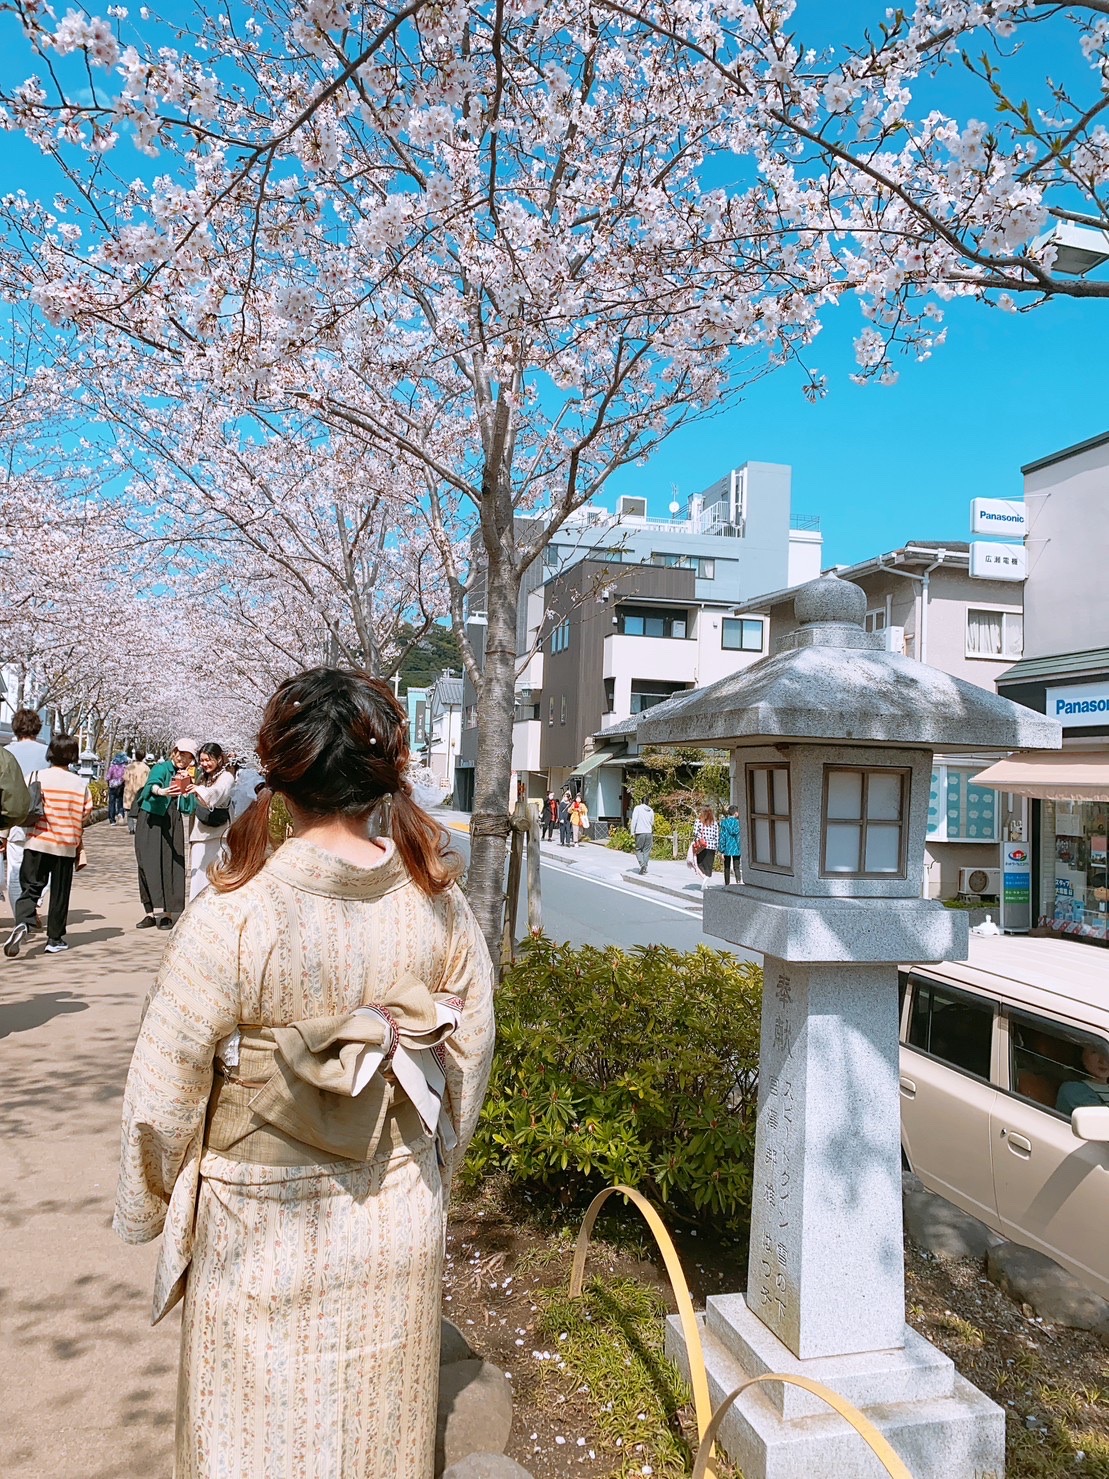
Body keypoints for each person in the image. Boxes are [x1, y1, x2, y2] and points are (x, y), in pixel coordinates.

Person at [113, 666, 495, 1479]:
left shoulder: (234, 910)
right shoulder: (438, 900)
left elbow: (163, 1086)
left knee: (250, 1433)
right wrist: (438, 1165)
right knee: (374, 1433)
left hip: (261, 1215)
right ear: (384, 769)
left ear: (278, 774)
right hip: (395, 1203)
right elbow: (468, 1053)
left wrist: (152, 1200)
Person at [4, 732, 91, 957]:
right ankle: (55, 939)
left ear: (50, 753)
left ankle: (23, 922)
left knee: (31, 886)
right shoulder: (80, 784)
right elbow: (85, 813)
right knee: (60, 893)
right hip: (65, 845)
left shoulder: (35, 776)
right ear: (73, 756)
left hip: (37, 842)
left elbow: (21, 804)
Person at [134, 739, 194, 930]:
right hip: (151, 817)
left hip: (172, 819)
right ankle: (149, 912)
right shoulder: (161, 768)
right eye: (180, 754)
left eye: (187, 756)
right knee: (146, 863)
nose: (182, 759)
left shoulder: (187, 775)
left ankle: (167, 913)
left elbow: (188, 807)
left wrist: (186, 792)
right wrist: (162, 791)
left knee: (171, 863)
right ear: (174, 752)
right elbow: (152, 785)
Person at [5, 707, 48, 922]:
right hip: (42, 818)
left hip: (12, 818)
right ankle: (32, 905)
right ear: (38, 728)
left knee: (15, 869)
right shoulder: (47, 752)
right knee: (41, 869)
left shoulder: (6, 752)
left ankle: (21, 918)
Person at [184, 742, 235, 902]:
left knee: (217, 877)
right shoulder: (201, 777)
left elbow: (216, 793)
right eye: (202, 760)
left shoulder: (227, 777)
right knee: (198, 878)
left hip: (219, 835)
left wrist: (198, 790)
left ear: (219, 759)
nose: (205, 764)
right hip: (200, 834)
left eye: (208, 760)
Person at [1056, 1043, 1109, 1115]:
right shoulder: (1074, 1089)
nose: (1103, 1061)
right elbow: (1101, 1122)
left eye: (1107, 1052)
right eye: (1094, 1052)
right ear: (1081, 1055)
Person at [123, 753, 151, 835]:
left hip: (130, 790)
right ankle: (138, 827)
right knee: (140, 809)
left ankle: (131, 828)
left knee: (129, 810)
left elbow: (125, 778)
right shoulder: (146, 768)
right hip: (141, 790)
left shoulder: (129, 767)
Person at [692, 806, 719, 884]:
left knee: (700, 864)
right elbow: (717, 835)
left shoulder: (699, 821)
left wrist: (698, 840)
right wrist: (717, 847)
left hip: (702, 845)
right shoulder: (714, 823)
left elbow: (695, 833)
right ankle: (706, 879)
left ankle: (704, 878)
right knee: (708, 865)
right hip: (712, 846)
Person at [629, 798, 656, 875]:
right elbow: (652, 822)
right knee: (646, 850)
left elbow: (634, 820)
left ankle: (642, 865)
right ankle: (645, 866)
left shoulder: (637, 808)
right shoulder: (651, 810)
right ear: (648, 802)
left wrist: (632, 831)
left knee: (638, 849)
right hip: (649, 833)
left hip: (640, 832)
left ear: (641, 801)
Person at [719, 805, 742, 885]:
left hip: (727, 847)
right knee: (737, 866)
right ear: (736, 813)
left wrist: (721, 850)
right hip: (736, 847)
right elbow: (739, 837)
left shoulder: (724, 823)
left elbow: (722, 836)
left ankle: (727, 884)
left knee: (727, 867)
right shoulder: (739, 823)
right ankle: (738, 882)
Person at [106, 752, 128, 825]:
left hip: (112, 786)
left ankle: (112, 819)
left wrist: (109, 783)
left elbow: (108, 777)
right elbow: (125, 778)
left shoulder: (112, 767)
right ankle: (120, 813)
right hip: (121, 786)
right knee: (120, 801)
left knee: (111, 802)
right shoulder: (125, 768)